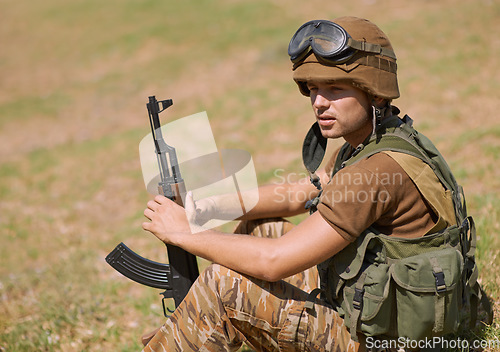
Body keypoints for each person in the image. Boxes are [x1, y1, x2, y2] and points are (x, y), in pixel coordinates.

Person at [140, 16, 490, 351]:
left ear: (377, 94)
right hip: (389, 310)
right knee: (263, 228)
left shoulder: (374, 171)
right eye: (313, 89)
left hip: (384, 341)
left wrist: (187, 234)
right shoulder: (382, 140)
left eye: (335, 89)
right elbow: (295, 195)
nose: (319, 102)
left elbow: (274, 262)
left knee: (223, 283)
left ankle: (195, 326)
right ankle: (194, 325)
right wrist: (208, 207)